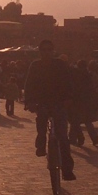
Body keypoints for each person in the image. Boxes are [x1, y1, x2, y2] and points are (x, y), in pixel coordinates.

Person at [23, 39, 75, 181]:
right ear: (40, 52)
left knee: (63, 137)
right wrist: (29, 101)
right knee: (41, 127)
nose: (46, 52)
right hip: (42, 103)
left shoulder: (60, 65)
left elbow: (68, 83)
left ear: (53, 51)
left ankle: (67, 169)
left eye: (49, 50)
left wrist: (69, 98)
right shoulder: (35, 66)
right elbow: (29, 84)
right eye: (43, 50)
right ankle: (40, 145)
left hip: (59, 103)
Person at [69, 59, 98, 147]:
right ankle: (94, 137)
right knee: (87, 120)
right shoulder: (88, 75)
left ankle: (73, 138)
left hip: (77, 100)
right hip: (86, 101)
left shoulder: (76, 74)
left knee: (74, 120)